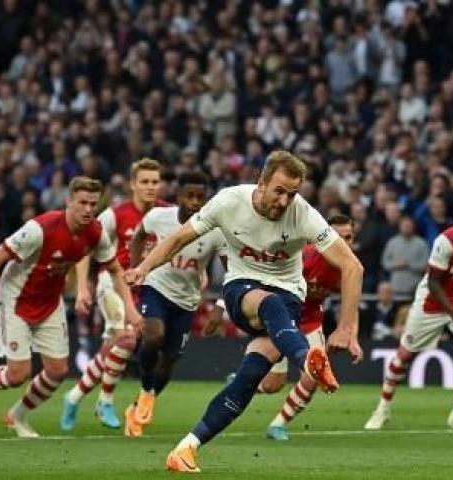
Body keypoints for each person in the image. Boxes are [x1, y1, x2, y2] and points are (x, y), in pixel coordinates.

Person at [123, 150, 364, 473]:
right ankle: (307, 358)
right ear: (261, 183)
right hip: (243, 289)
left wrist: (346, 328)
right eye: (279, 191)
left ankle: (186, 449)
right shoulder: (229, 202)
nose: (284, 201)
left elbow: (352, 266)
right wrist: (143, 268)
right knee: (268, 302)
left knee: (250, 378)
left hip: (289, 300)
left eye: (292, 194)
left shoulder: (304, 214)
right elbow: (179, 238)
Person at [0, 177, 141, 437]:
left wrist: (130, 309)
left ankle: (17, 416)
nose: (88, 209)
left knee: (58, 371)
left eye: (93, 203)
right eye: (82, 203)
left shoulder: (95, 232)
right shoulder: (41, 228)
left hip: (49, 302)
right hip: (14, 300)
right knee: (18, 374)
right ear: (69, 202)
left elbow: (114, 269)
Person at [364, 191, 453, 432]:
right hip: (431, 301)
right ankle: (382, 409)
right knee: (406, 355)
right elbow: (435, 283)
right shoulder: (447, 240)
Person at [62, 158, 165, 429]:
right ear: (132, 184)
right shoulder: (115, 215)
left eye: (155, 182)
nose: (150, 187)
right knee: (129, 338)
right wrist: (83, 287)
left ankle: (73, 397)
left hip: (147, 288)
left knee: (113, 348)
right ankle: (105, 401)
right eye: (144, 182)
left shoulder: (166, 213)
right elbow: (86, 245)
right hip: (113, 283)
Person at [122, 172, 227, 437]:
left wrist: (220, 307)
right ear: (178, 196)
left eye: (200, 197)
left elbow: (233, 269)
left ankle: (137, 407)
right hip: (156, 288)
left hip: (187, 300)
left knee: (169, 360)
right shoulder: (159, 217)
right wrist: (136, 269)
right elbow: (138, 236)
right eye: (189, 196)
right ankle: (146, 389)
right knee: (153, 336)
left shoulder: (214, 231)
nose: (194, 202)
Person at [245, 214, 358, 441]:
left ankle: (278, 425)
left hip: (311, 321)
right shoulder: (304, 257)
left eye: (349, 237)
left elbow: (352, 305)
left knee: (314, 373)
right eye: (339, 237)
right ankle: (245, 381)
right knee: (273, 384)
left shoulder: (351, 267)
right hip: (283, 319)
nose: (345, 243)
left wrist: (351, 337)